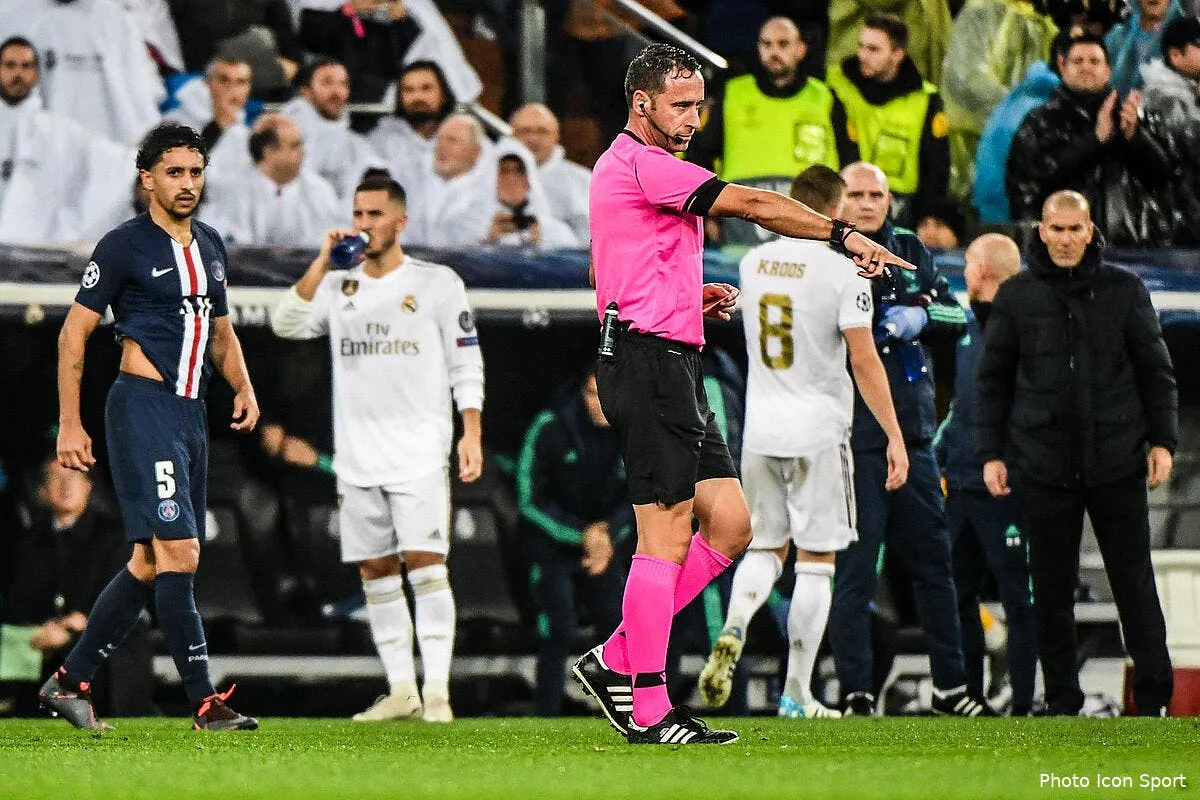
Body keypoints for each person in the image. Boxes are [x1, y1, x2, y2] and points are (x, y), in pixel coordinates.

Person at [571, 43, 914, 746]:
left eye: (699, 104)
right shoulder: (644, 163)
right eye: (680, 104)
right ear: (642, 103)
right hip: (645, 363)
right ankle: (649, 707)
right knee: (663, 534)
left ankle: (615, 657)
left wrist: (682, 298)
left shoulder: (633, 169)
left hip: (670, 356)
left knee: (731, 527)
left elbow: (614, 264)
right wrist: (842, 235)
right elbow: (755, 203)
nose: (694, 117)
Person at [41, 122, 261, 731]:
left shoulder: (211, 244)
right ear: (147, 180)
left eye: (195, 172)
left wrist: (242, 384)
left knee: (147, 562)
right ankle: (205, 701)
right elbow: (72, 334)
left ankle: (68, 682)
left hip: (190, 415)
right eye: (174, 173)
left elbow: (220, 332)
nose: (187, 184)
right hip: (143, 407)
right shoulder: (123, 246)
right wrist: (70, 424)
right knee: (181, 553)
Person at [271, 169, 484, 723]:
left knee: (426, 563)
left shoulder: (438, 283)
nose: (364, 225)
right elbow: (284, 324)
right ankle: (402, 690)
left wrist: (472, 431)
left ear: (399, 220)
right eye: (358, 214)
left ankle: (437, 690)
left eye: (374, 215)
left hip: (418, 450)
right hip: (357, 456)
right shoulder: (342, 286)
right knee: (375, 571)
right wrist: (322, 263)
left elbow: (467, 362)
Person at [698, 165, 909, 719]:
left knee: (766, 548)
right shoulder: (843, 271)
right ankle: (796, 692)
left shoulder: (753, 264)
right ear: (835, 213)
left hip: (761, 428)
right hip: (818, 429)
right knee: (817, 563)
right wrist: (893, 433)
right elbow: (863, 359)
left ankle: (737, 622)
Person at [975, 190, 1176, 717]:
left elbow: (1157, 372)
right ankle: (1062, 701)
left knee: (1134, 583)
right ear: (1040, 231)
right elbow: (992, 381)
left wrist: (1164, 441)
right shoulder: (1016, 297)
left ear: (1091, 232)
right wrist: (991, 452)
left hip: (1118, 462)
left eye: (1074, 229)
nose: (1065, 239)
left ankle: (1154, 698)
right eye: (1056, 229)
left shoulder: (1126, 290)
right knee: (1052, 590)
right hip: (1042, 464)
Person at [826, 162, 993, 718]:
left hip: (915, 435)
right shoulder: (824, 250)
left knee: (935, 567)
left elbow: (956, 310)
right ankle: (855, 691)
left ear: (890, 199)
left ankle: (952, 687)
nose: (868, 203)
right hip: (850, 435)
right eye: (857, 194)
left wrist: (918, 314)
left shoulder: (910, 250)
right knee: (853, 570)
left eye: (877, 194)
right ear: (839, 200)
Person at [934, 233, 1037, 716]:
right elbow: (963, 408)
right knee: (959, 592)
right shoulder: (967, 328)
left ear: (980, 269)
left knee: (1018, 596)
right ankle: (970, 695)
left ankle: (1024, 700)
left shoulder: (1025, 330)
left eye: (969, 265)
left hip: (1005, 486)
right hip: (961, 484)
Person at [517, 367, 632, 717]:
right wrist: (581, 534)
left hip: (603, 546)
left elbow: (641, 500)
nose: (601, 404)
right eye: (593, 394)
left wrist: (606, 537)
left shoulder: (632, 434)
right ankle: (546, 716)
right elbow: (528, 499)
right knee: (559, 627)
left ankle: (626, 714)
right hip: (551, 544)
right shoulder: (551, 426)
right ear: (582, 394)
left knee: (620, 624)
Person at [1, 456, 155, 718]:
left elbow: (124, 593)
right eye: (56, 479)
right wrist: (47, 627)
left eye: (74, 478)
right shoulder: (30, 541)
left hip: (106, 639)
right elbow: (18, 599)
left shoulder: (116, 535)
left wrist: (75, 624)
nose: (66, 486)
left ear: (88, 487)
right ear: (41, 491)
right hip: (45, 639)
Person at [689, 17, 858, 246]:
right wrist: (706, 213)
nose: (774, 52)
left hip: (812, 223)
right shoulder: (733, 94)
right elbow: (700, 154)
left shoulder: (826, 98)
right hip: (741, 223)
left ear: (801, 49)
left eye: (783, 44)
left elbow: (850, 161)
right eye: (766, 44)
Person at [1006, 33, 1174, 247]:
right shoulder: (1039, 122)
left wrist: (1135, 137)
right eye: (1077, 61)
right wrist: (1095, 141)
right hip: (1064, 251)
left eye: (1094, 61)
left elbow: (1165, 177)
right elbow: (1029, 186)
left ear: (1108, 70)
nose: (1086, 67)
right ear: (1063, 67)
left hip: (1135, 248)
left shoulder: (1132, 117)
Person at [0, 36, 135, 247]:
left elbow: (117, 163)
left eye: (25, 66)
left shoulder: (60, 133)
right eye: (10, 65)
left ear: (36, 74)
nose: (18, 74)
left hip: (36, 253)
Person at [825, 14, 951, 229]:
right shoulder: (835, 84)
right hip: (845, 204)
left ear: (897, 54)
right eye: (861, 46)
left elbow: (937, 166)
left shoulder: (925, 99)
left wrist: (928, 217)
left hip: (903, 210)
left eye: (873, 49)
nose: (862, 55)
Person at [0, 0, 164, 145]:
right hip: (36, 158)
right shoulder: (9, 16)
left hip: (113, 159)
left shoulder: (117, 20)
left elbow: (144, 103)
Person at [201, 112, 342, 246]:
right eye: (295, 146)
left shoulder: (320, 190)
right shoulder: (232, 191)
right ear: (268, 151)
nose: (304, 152)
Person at [282, 58, 385, 201]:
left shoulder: (357, 146)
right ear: (305, 91)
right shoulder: (280, 137)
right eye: (327, 83)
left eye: (343, 84)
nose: (336, 91)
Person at [1139, 16, 1200, 245]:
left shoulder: (1190, 94)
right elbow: (1188, 156)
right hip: (1176, 223)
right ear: (1175, 55)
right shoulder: (1163, 98)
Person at [368, 60, 457, 207]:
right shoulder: (380, 143)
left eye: (426, 88)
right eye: (409, 90)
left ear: (443, 95)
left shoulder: (466, 141)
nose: (418, 97)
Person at [509, 102, 593, 244]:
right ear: (512, 135)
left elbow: (595, 240)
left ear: (556, 136)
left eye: (542, 131)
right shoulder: (489, 178)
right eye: (525, 131)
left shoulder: (582, 181)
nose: (533, 139)